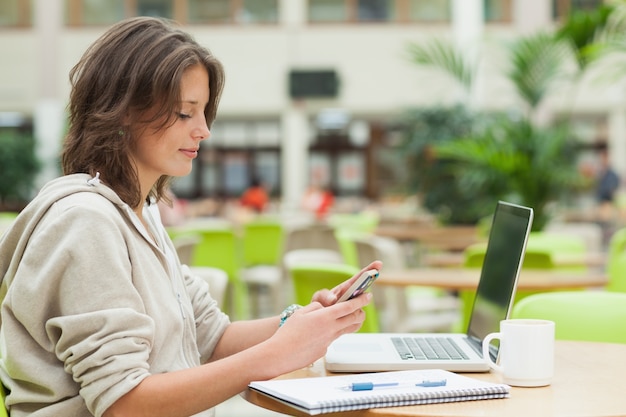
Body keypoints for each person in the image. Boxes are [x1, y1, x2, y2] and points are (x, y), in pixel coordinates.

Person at [0, 17, 380, 417]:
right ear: (123, 112)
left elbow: (209, 337)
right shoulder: (84, 222)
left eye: (203, 113)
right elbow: (123, 404)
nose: (203, 130)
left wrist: (303, 323)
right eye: (185, 113)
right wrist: (280, 352)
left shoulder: (140, 213)